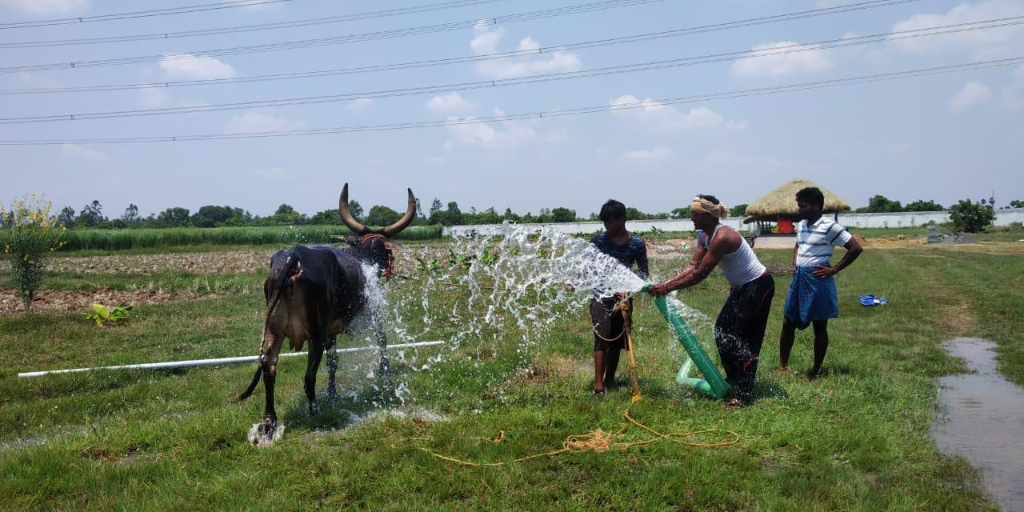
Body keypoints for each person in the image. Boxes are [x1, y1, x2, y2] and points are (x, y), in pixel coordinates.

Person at [649, 195, 774, 408]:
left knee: (744, 340)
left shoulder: (723, 237)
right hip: (740, 289)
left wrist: (667, 288)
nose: (691, 218)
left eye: (695, 214)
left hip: (757, 287)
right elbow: (693, 266)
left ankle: (743, 395)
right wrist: (665, 284)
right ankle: (733, 378)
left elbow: (700, 274)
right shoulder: (704, 236)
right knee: (722, 332)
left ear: (707, 215)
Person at [778, 187, 863, 380]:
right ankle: (782, 365)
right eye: (799, 206)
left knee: (819, 325)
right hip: (799, 278)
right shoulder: (801, 225)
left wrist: (834, 269)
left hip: (818, 280)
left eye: (804, 206)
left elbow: (855, 248)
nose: (800, 210)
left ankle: (815, 370)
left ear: (816, 206)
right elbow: (798, 244)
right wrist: (795, 263)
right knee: (788, 321)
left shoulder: (829, 226)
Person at [589, 199, 648, 395]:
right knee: (602, 336)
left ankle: (610, 379)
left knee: (616, 341)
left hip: (623, 298)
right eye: (605, 222)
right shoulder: (598, 240)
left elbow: (643, 274)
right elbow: (586, 266)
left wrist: (630, 289)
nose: (607, 226)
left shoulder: (637, 244)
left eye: (611, 222)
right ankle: (599, 386)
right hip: (600, 296)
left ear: (622, 219)